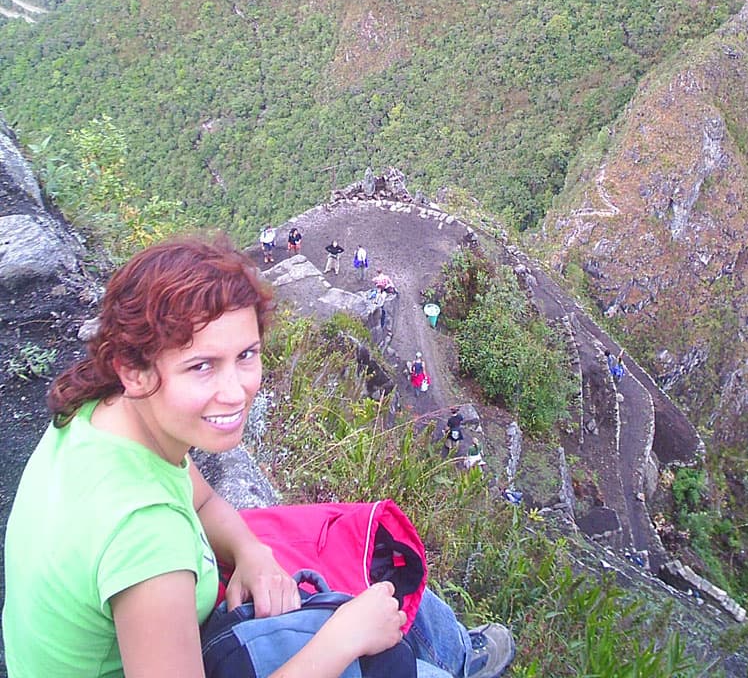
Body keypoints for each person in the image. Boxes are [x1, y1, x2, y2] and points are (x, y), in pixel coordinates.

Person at [2, 235, 515, 678]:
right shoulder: (146, 538)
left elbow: (200, 503)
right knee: (396, 646)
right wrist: (342, 639)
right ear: (134, 370)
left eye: (245, 355)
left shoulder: (105, 413)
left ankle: (452, 653)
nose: (236, 391)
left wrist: (251, 553)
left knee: (378, 579)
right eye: (202, 366)